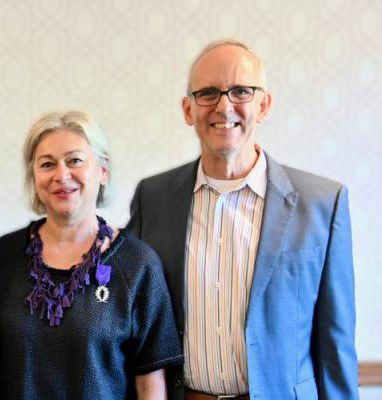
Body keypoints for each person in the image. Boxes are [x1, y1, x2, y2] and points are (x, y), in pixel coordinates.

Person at [126, 40, 358, 400]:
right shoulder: (152, 198)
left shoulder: (322, 204)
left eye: (240, 91)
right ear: (188, 110)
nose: (223, 105)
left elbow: (335, 343)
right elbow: (132, 319)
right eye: (207, 93)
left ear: (263, 104)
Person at [0, 111, 183, 399]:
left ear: (102, 171)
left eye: (75, 160)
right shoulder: (3, 256)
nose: (61, 175)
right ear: (34, 177)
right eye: (47, 164)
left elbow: (150, 386)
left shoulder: (138, 264)